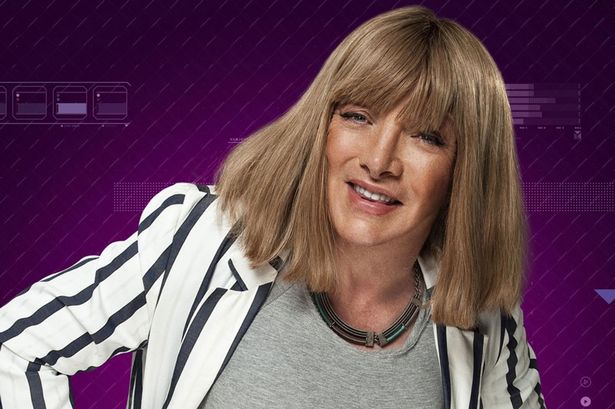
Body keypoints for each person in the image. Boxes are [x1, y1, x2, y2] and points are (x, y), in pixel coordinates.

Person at [0, 5, 546, 409]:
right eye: (358, 116)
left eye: (426, 136)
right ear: (321, 126)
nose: (379, 161)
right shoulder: (202, 240)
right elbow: (16, 350)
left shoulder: (483, 311)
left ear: (466, 171)